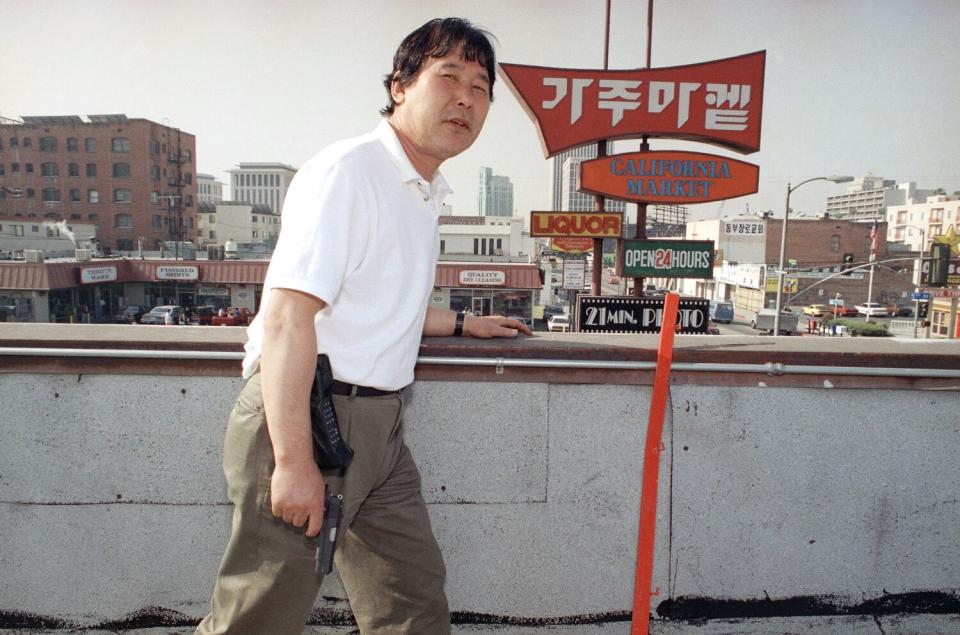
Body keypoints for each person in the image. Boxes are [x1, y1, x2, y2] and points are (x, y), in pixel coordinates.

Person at [196, 18, 530, 635]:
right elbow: (290, 317)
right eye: (448, 76)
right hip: (311, 417)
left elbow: (370, 301)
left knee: (411, 600)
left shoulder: (421, 189)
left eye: (481, 87)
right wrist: (293, 462)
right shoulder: (349, 171)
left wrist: (462, 325)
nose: (466, 97)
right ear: (399, 85)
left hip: (381, 428)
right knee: (258, 615)